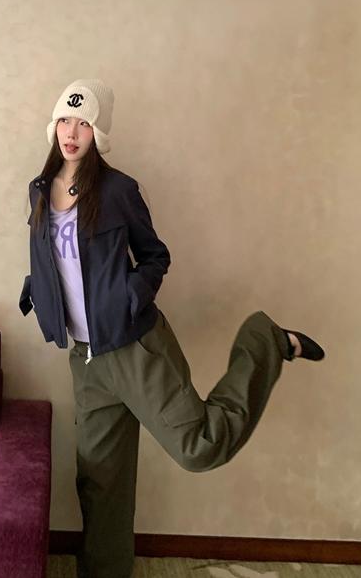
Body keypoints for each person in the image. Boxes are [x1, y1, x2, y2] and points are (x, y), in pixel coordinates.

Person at [19, 78, 325, 578]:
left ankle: (265, 341)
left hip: (136, 347)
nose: (71, 132)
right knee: (101, 482)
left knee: (199, 446)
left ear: (98, 132)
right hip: (86, 359)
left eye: (84, 123)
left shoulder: (118, 190)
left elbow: (155, 256)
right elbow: (59, 262)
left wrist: (130, 296)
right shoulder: (38, 191)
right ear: (53, 125)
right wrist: (38, 291)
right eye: (65, 120)